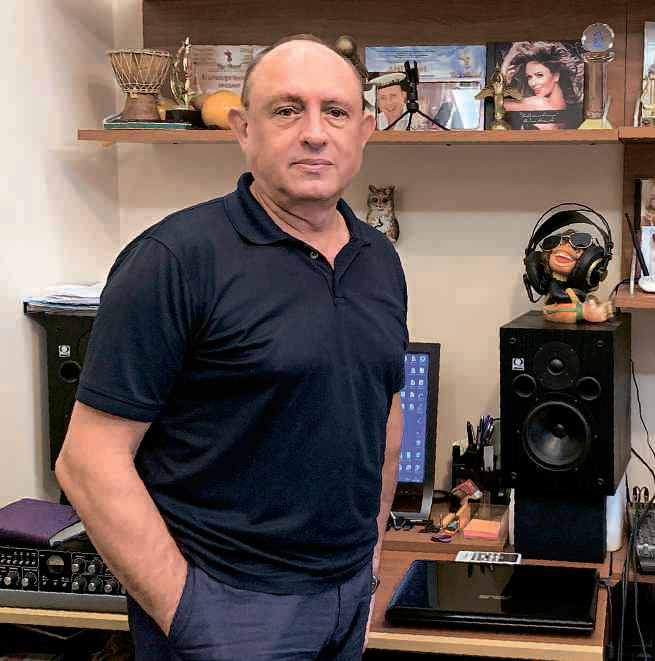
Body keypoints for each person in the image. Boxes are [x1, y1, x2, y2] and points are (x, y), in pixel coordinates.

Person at [55, 34, 409, 661]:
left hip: (346, 593)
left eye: (335, 112)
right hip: (227, 605)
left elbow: (382, 409)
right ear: (243, 130)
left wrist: (371, 556)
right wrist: (191, 614)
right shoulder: (174, 259)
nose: (314, 133)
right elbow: (88, 461)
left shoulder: (378, 260)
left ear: (364, 130)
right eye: (287, 110)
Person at [500, 41, 583, 129]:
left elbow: (499, 107)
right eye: (529, 77)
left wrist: (505, 68)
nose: (533, 83)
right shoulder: (570, 106)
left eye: (539, 75)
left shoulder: (539, 103)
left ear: (556, 76)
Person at [538, 229, 614, 323]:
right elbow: (558, 295)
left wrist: (589, 298)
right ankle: (587, 313)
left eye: (575, 249)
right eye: (560, 246)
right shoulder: (555, 281)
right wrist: (580, 297)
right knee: (557, 311)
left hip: (575, 303)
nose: (565, 248)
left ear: (585, 263)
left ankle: (591, 311)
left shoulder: (577, 280)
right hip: (554, 308)